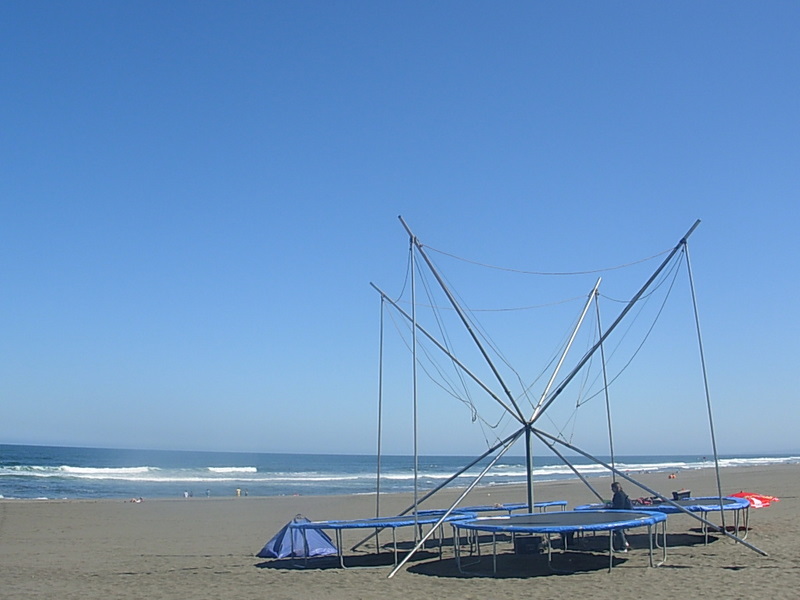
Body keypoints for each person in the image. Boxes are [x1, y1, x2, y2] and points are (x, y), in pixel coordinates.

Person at [610, 481, 632, 552]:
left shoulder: (619, 495)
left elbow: (619, 507)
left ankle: (623, 547)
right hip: (625, 513)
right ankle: (625, 543)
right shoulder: (621, 494)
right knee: (618, 530)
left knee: (618, 529)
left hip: (623, 514)